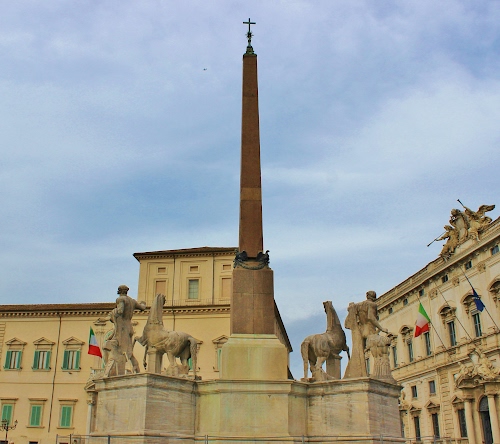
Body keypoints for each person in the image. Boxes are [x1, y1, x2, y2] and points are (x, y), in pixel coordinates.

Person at [103, 285, 146, 375]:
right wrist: (143, 303)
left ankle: (116, 371)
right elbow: (142, 308)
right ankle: (136, 368)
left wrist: (111, 315)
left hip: (122, 328)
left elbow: (120, 311)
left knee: (117, 349)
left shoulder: (120, 299)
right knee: (128, 350)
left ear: (119, 291)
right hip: (129, 328)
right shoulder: (132, 301)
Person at [344, 290, 388, 378]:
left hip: (361, 330)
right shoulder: (372, 305)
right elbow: (371, 317)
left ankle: (360, 372)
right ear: (374, 298)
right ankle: (380, 373)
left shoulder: (359, 305)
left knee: (360, 352)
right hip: (369, 329)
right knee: (380, 350)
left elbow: (350, 309)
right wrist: (381, 328)